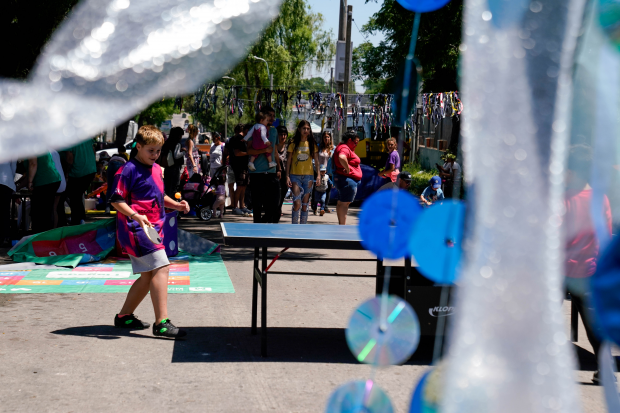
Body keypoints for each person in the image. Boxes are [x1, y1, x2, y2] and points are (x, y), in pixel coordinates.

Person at [110, 125, 190, 338]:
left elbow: (157, 197)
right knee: (162, 266)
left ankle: (124, 316)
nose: (155, 155)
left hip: (154, 228)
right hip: (136, 229)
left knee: (147, 277)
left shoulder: (156, 169)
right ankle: (161, 323)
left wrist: (177, 205)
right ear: (138, 147)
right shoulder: (127, 170)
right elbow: (116, 200)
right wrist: (136, 216)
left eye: (158, 151)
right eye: (150, 151)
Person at [563, 144, 611, 384]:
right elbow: (606, 236)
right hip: (588, 271)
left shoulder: (564, 199)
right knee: (593, 325)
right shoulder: (601, 199)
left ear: (571, 172)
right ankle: (606, 371)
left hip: (560, 270)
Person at [247, 106, 281, 223]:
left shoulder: (274, 131)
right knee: (257, 205)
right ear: (264, 117)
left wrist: (279, 168)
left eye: (273, 115)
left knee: (274, 204)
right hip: (257, 173)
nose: (272, 118)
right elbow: (249, 150)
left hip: (271, 172)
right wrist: (263, 151)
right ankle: (257, 231)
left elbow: (275, 151)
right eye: (269, 115)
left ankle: (265, 226)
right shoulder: (255, 129)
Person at [286, 120, 320, 224]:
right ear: (299, 129)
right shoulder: (293, 143)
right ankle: (295, 227)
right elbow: (289, 161)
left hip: (308, 176)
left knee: (305, 205)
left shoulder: (312, 144)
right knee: (297, 202)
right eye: (304, 128)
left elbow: (317, 161)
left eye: (308, 129)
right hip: (294, 176)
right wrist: (287, 176)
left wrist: (318, 175)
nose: (306, 130)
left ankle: (303, 229)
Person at [25, 152, 62, 233]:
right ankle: (46, 236)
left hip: (45, 181)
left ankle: (40, 237)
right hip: (52, 179)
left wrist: (30, 182)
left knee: (39, 212)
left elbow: (33, 164)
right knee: (47, 211)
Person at [64, 139, 97, 225]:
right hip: (90, 170)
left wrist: (66, 172)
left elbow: (69, 159)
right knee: (77, 196)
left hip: (78, 172)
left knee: (74, 197)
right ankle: (80, 219)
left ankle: (77, 220)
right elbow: (94, 152)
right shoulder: (86, 136)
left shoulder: (69, 140)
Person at [333, 131, 362, 225]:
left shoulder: (343, 147)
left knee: (342, 203)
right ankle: (342, 227)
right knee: (344, 204)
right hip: (347, 180)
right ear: (349, 140)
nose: (356, 145)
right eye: (355, 142)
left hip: (346, 180)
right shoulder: (345, 148)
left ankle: (341, 225)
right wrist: (347, 168)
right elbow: (342, 157)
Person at [228, 123, 252, 216]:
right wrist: (248, 153)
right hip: (239, 166)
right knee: (240, 186)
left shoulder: (245, 139)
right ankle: (235, 207)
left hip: (244, 166)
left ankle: (242, 206)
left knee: (244, 186)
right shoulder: (238, 139)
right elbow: (237, 153)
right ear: (246, 130)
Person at [313, 130, 334, 215]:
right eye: (325, 137)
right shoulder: (318, 147)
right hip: (317, 171)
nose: (326, 138)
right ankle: (314, 207)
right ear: (322, 138)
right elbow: (314, 158)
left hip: (328, 172)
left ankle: (324, 207)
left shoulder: (333, 148)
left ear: (330, 138)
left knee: (327, 190)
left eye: (328, 137)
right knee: (316, 189)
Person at [161, 127, 185, 198]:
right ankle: (172, 202)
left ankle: (166, 200)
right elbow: (176, 155)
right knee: (174, 185)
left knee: (167, 185)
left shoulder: (167, 142)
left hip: (167, 167)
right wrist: (184, 152)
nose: (181, 137)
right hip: (175, 167)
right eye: (180, 135)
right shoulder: (177, 143)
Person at [105, 148, 129, 213]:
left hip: (111, 166)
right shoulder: (125, 157)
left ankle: (107, 208)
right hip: (120, 166)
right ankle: (119, 209)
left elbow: (108, 165)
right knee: (119, 188)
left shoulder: (114, 156)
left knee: (109, 188)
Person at [0, 161, 17, 246]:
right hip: (6, 182)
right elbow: (13, 168)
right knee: (5, 211)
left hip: (5, 181)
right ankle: (6, 237)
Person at [275, 125, 289, 222]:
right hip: (274, 174)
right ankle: (274, 216)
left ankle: (277, 216)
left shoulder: (289, 148)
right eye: (281, 134)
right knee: (275, 198)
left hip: (285, 175)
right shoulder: (273, 147)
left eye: (284, 134)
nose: (283, 137)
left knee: (281, 198)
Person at [50, 150, 67, 229]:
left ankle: (50, 230)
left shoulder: (44, 151)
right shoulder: (55, 152)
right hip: (61, 181)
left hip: (54, 181)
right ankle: (54, 230)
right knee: (54, 208)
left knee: (50, 209)